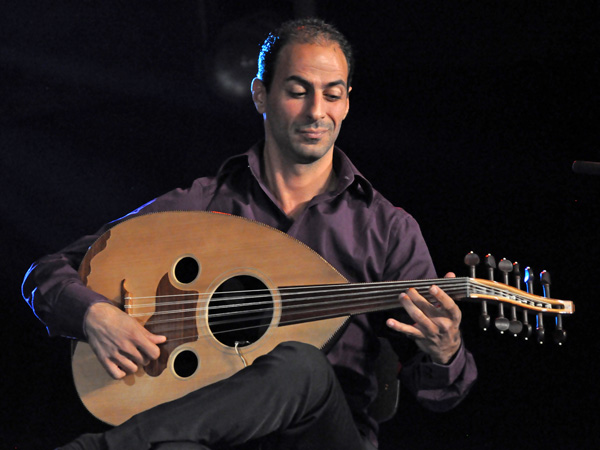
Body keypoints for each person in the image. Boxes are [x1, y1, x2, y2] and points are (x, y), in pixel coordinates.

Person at [22, 18, 477, 450]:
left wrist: (445, 349)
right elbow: (48, 272)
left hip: (324, 437)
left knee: (302, 364)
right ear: (261, 95)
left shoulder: (385, 228)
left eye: (332, 95)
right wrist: (93, 316)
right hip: (212, 436)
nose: (317, 112)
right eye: (298, 91)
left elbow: (440, 395)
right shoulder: (203, 204)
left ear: (347, 102)